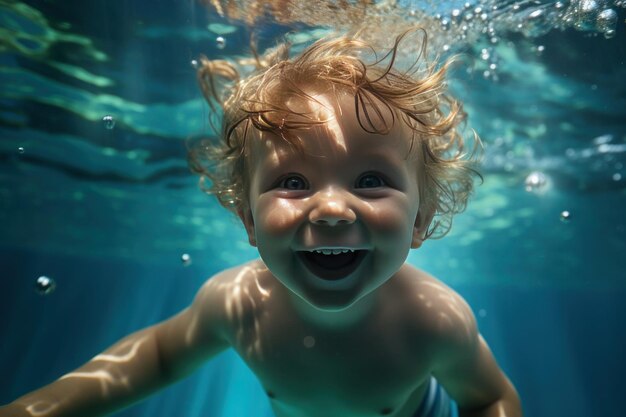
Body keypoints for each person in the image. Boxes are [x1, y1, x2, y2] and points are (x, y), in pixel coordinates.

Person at [0, 28, 523, 417]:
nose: (333, 210)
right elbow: (158, 357)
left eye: (369, 181)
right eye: (293, 183)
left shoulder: (435, 322)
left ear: (420, 220)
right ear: (249, 220)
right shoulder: (236, 304)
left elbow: (491, 397)